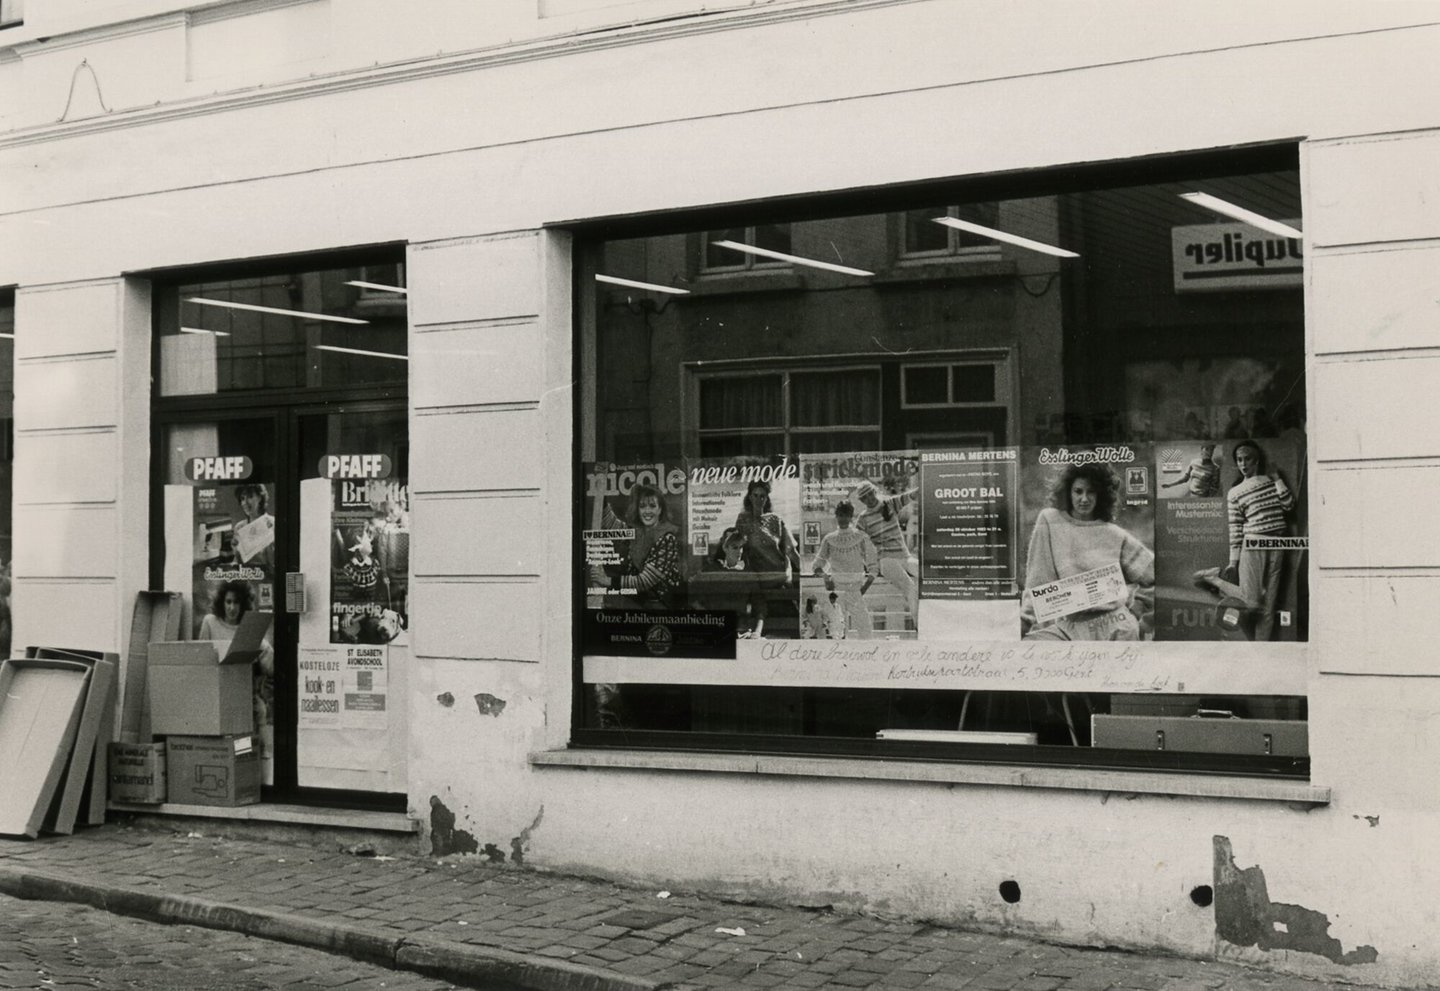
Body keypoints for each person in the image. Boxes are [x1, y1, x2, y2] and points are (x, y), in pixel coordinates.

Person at [1022, 463, 1154, 641]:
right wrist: (1024, 621)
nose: (1084, 499)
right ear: (1068, 492)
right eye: (1078, 491)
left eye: (1091, 492)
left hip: (1116, 625)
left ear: (1101, 495)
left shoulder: (1114, 534)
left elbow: (1155, 574)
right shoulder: (1050, 520)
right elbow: (1038, 581)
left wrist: (1136, 610)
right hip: (1069, 626)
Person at [1222, 439, 1296, 641]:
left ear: (1256, 460)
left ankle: (1261, 649)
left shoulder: (1270, 481)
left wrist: (1277, 479)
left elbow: (1289, 506)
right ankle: (1241, 642)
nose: (1243, 464)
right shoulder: (1235, 492)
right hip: (1254, 544)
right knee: (1251, 603)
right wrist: (1233, 562)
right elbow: (1235, 528)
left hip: (1277, 543)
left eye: (1247, 459)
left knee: (1269, 604)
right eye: (1239, 460)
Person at [199, 580, 275, 765]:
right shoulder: (210, 622)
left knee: (257, 714)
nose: (232, 607)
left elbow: (270, 666)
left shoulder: (248, 629)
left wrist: (261, 654)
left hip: (243, 695)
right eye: (228, 602)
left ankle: (246, 763)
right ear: (221, 602)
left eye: (237, 602)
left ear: (243, 605)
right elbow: (200, 657)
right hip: (216, 693)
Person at [597, 482, 683, 608]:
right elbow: (611, 525)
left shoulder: (667, 538)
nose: (647, 511)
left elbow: (644, 581)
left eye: (652, 506)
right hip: (640, 601)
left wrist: (607, 581)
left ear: (660, 510)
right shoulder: (636, 532)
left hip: (663, 605)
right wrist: (600, 494)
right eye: (642, 506)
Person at [852, 478, 919, 626]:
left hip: (904, 556)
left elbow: (913, 495)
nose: (869, 499)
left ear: (875, 491)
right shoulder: (863, 519)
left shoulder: (889, 504)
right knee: (910, 588)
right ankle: (920, 626)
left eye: (870, 494)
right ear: (861, 500)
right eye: (864, 497)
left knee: (928, 574)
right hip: (886, 560)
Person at [811, 500, 877, 640]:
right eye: (840, 515)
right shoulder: (829, 539)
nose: (843, 518)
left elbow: (873, 566)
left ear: (851, 516)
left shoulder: (861, 537)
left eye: (846, 515)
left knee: (865, 630)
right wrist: (825, 577)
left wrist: (864, 588)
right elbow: (816, 565)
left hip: (856, 590)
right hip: (837, 590)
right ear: (836, 516)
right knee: (837, 631)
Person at [232, 483, 275, 569]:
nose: (245, 503)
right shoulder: (239, 527)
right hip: (246, 579)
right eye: (242, 498)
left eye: (250, 497)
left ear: (260, 497)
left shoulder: (274, 523)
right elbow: (236, 561)